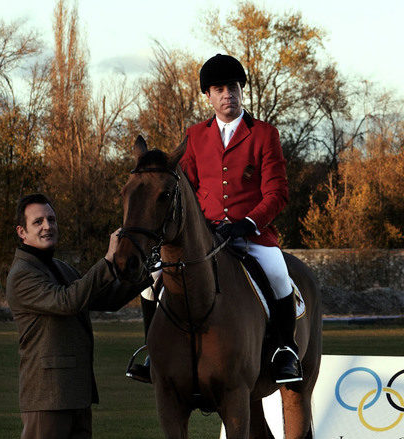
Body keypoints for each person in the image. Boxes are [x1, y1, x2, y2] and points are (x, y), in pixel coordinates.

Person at [127, 53, 302, 385]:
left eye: (233, 87)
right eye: (219, 89)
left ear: (241, 91)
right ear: (208, 95)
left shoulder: (264, 134)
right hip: (205, 236)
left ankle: (285, 350)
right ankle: (153, 352)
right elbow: (187, 188)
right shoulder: (195, 136)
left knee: (279, 274)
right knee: (152, 281)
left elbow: (277, 192)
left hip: (251, 235)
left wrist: (248, 224)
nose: (228, 95)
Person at [6, 193, 140, 439]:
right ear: (22, 232)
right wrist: (106, 259)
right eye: (38, 222)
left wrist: (145, 272)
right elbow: (69, 302)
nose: (47, 226)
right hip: (46, 397)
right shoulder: (23, 275)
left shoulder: (60, 267)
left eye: (51, 218)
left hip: (78, 394)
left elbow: (102, 297)